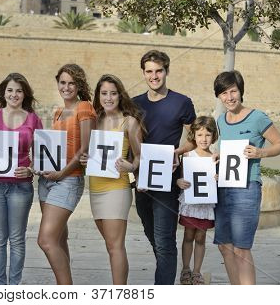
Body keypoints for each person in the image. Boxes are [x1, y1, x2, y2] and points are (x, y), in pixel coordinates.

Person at [132, 50, 196, 285]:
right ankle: (167, 274)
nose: (154, 76)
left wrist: (177, 153)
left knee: (165, 241)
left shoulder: (182, 102)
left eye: (158, 70)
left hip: (168, 182)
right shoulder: (135, 104)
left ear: (166, 71)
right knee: (153, 237)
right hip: (141, 182)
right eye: (149, 71)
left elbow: (194, 138)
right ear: (144, 74)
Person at [213, 70, 280, 285]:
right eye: (224, 93)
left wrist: (261, 153)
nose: (229, 97)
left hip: (247, 189)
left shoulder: (257, 117)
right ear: (219, 96)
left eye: (233, 91)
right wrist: (218, 158)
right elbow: (227, 153)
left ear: (240, 92)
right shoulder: (221, 121)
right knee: (224, 246)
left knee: (241, 249)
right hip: (223, 188)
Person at [0, 73, 43, 285]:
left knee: (16, 239)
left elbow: (42, 156)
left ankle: (13, 287)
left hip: (20, 187)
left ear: (25, 94)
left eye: (19, 90)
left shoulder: (34, 119)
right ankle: (0, 286)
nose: (14, 94)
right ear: (3, 93)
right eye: (10, 90)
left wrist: (31, 170)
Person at [80, 74, 145, 284]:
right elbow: (91, 154)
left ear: (120, 95)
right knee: (110, 245)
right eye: (104, 93)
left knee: (116, 246)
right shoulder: (94, 121)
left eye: (113, 93)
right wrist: (84, 159)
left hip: (117, 189)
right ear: (98, 96)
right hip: (96, 189)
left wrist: (132, 165)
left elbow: (141, 156)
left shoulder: (129, 122)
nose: (108, 98)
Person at [37, 64, 96, 284]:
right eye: (63, 82)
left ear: (79, 85)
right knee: (59, 239)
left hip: (68, 179)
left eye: (71, 83)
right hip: (48, 180)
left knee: (45, 240)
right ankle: (64, 284)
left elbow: (84, 148)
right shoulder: (58, 111)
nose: (67, 87)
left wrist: (61, 173)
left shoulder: (84, 108)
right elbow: (56, 147)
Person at [176, 116, 218, 285]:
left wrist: (217, 178)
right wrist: (179, 182)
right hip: (190, 203)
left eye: (207, 135)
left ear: (213, 136)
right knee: (188, 235)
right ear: (193, 135)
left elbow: (219, 181)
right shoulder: (187, 155)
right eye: (199, 135)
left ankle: (197, 271)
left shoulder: (215, 158)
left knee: (201, 238)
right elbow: (179, 177)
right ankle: (185, 268)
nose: (203, 139)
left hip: (205, 204)